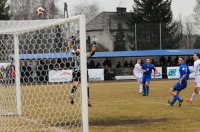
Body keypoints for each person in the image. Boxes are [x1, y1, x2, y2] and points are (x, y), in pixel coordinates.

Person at [68, 40, 96, 107]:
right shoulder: (85, 55)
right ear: (80, 52)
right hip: (83, 71)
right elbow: (93, 52)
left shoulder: (74, 55)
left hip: (75, 71)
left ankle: (72, 93)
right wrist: (94, 44)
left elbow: (69, 48)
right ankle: (87, 99)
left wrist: (69, 42)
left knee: (76, 84)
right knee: (86, 85)